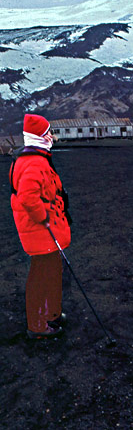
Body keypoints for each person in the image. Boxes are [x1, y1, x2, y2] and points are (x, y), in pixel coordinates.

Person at [9, 114, 72, 339]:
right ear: (40, 136)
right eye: (48, 132)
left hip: (46, 228)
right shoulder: (34, 162)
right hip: (41, 229)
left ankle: (51, 314)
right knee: (42, 276)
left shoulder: (36, 158)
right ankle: (37, 326)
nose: (51, 136)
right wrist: (43, 217)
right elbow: (27, 197)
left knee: (52, 271)